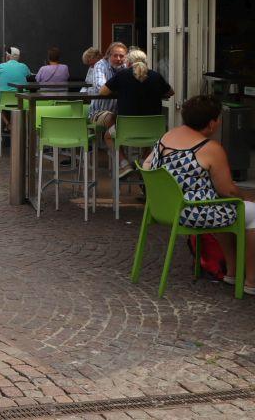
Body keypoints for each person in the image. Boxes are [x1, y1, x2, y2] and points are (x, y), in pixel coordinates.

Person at [144, 95, 255, 294]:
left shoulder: (165, 138)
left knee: (223, 207)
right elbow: (227, 190)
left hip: (163, 209)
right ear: (212, 123)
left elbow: (147, 166)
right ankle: (252, 281)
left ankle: (232, 271)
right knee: (250, 212)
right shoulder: (210, 148)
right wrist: (245, 197)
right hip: (192, 213)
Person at [100, 49, 174, 177]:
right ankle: (144, 161)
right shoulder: (156, 76)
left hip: (126, 130)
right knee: (148, 136)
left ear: (128, 62)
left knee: (107, 135)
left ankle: (124, 164)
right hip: (153, 130)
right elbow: (170, 92)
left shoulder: (122, 75)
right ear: (145, 62)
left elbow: (103, 92)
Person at [87, 42, 128, 129]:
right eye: (115, 55)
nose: (118, 59)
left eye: (121, 56)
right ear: (109, 55)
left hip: (120, 113)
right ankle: (113, 140)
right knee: (111, 118)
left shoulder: (125, 67)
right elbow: (101, 88)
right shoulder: (100, 65)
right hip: (99, 113)